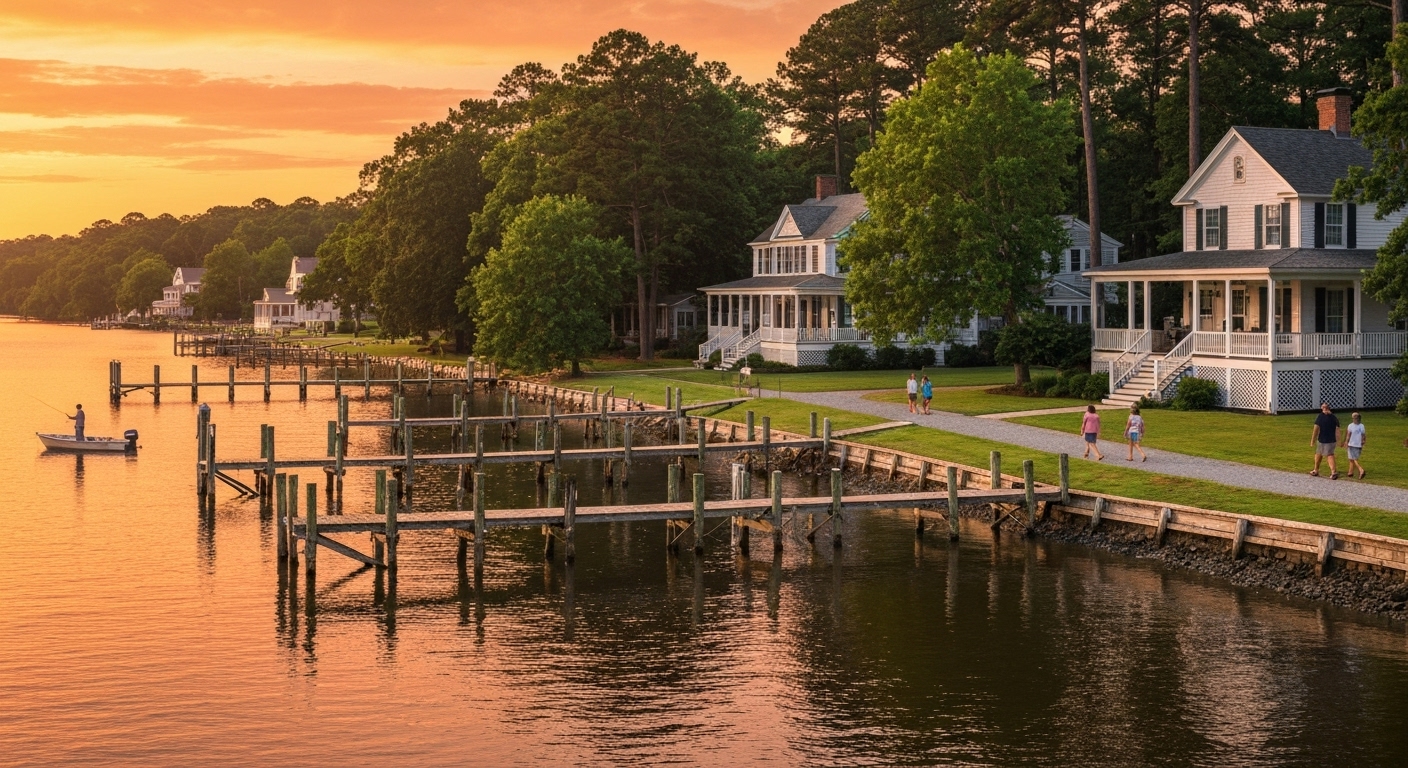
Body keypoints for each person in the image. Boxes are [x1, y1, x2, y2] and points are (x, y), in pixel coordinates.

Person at [1310, 402, 1340, 479]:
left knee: (1328, 455)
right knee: (1320, 454)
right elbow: (1337, 429)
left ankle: (1333, 472)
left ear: (1322, 408)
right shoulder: (1334, 417)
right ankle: (1316, 470)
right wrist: (1339, 440)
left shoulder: (1320, 417)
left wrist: (1312, 440)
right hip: (1331, 440)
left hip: (1324, 439)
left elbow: (1316, 429)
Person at [1342, 411, 1367, 480]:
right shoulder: (1351, 426)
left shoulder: (1360, 426)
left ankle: (1361, 470)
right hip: (1353, 444)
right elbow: (1348, 435)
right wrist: (1346, 442)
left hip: (1355, 444)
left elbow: (1363, 435)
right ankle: (1350, 472)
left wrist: (1363, 441)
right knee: (1351, 458)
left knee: (1354, 458)